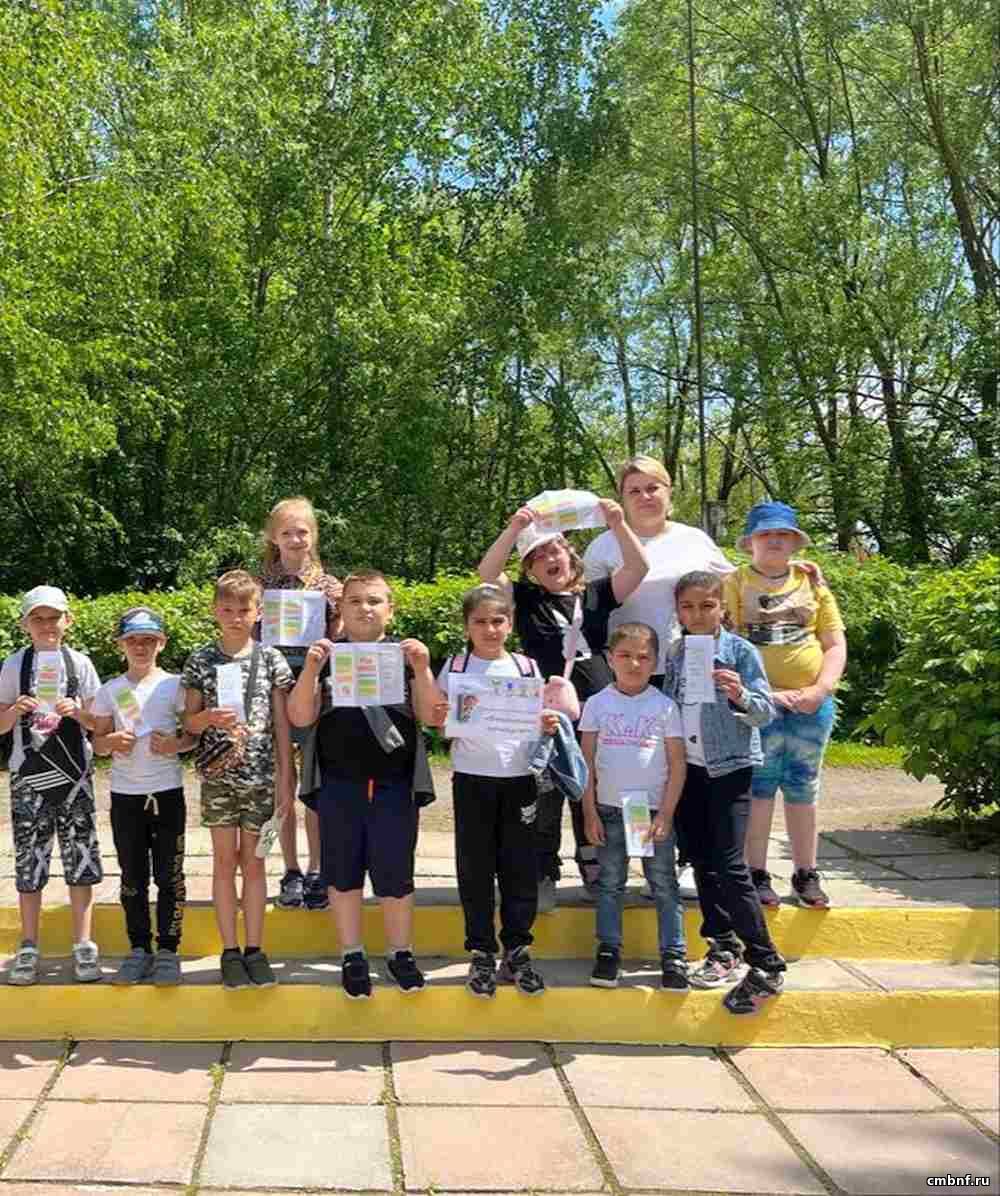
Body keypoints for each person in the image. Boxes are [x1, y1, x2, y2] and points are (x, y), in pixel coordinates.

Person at [477, 500, 647, 912]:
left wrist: (618, 523)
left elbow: (638, 567)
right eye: (538, 556)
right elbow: (486, 574)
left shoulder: (597, 593)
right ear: (529, 570)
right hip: (547, 713)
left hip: (598, 711)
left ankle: (593, 865)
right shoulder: (525, 599)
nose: (550, 559)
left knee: (592, 792)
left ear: (570, 554)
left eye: (555, 550)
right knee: (546, 793)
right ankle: (543, 872)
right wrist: (514, 529)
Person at [286, 570, 439, 999]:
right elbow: (299, 716)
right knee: (343, 872)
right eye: (354, 601)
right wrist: (311, 668)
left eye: (374, 601)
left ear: (391, 609)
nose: (364, 608)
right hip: (339, 783)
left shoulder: (406, 656)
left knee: (395, 871)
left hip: (395, 783)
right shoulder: (327, 655)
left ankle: (400, 953)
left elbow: (432, 716)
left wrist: (423, 668)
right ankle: (352, 954)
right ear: (340, 609)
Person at [663, 570, 786, 1015]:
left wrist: (740, 695)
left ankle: (767, 962)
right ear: (678, 612)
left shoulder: (740, 651)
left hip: (730, 767)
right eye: (688, 607)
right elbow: (669, 707)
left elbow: (765, 712)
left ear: (722, 609)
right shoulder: (677, 652)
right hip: (688, 770)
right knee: (701, 860)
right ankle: (723, 946)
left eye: (706, 606)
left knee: (731, 864)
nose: (697, 615)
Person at [433, 584, 559, 998]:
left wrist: (546, 722)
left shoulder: (525, 667)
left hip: (520, 778)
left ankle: (518, 948)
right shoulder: (456, 666)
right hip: (472, 778)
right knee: (475, 868)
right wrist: (441, 717)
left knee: (519, 867)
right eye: (480, 622)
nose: (490, 629)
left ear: (510, 624)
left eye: (498, 621)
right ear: (467, 626)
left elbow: (537, 717)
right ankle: (482, 951)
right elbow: (439, 722)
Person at [724, 502, 847, 910]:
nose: (774, 540)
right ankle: (755, 872)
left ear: (796, 542)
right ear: (750, 542)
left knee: (802, 787)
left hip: (811, 705)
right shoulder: (733, 583)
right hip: (758, 706)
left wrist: (822, 689)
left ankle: (805, 873)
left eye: (783, 534)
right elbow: (724, 645)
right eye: (765, 534)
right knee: (759, 787)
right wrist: (759, 695)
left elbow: (834, 643)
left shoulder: (813, 584)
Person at [182, 570, 295, 989]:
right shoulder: (201, 659)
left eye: (243, 610)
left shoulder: (271, 659)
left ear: (258, 612)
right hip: (218, 777)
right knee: (224, 862)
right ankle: (230, 950)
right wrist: (206, 718)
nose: (235, 617)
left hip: (261, 779)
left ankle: (255, 949)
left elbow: (282, 725)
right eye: (227, 609)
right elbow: (188, 723)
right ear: (215, 611)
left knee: (255, 862)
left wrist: (286, 778)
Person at [0, 585, 104, 986]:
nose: (47, 625)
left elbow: (99, 723)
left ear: (68, 621)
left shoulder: (80, 663)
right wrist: (15, 710)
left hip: (75, 775)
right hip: (29, 774)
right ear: (25, 625)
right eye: (38, 618)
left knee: (81, 857)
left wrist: (77, 713)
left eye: (54, 617)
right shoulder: (14, 665)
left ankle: (83, 944)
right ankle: (28, 945)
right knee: (30, 860)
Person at [580, 623, 688, 990]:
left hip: (648, 813)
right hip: (609, 811)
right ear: (610, 659)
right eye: (625, 655)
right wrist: (589, 812)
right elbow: (585, 763)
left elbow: (677, 763)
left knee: (663, 883)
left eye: (644, 657)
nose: (634, 664)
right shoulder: (597, 704)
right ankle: (609, 950)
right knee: (611, 883)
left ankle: (673, 955)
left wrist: (666, 814)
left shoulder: (664, 706)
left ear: (655, 662)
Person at [92, 607, 195, 986]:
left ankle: (168, 949)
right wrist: (110, 741)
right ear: (120, 645)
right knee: (132, 877)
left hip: (167, 792)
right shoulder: (110, 690)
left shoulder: (176, 685)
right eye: (132, 640)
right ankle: (139, 949)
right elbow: (97, 743)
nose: (140, 647)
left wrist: (176, 744)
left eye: (148, 640)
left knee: (170, 876)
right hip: (126, 796)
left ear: (161, 643)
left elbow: (192, 735)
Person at [257, 496, 342, 913]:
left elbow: (340, 639)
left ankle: (317, 869)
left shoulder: (330, 587)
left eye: (302, 532)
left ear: (314, 536)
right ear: (273, 537)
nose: (295, 539)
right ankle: (289, 869)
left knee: (316, 784)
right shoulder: (260, 585)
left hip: (316, 692)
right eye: (287, 532)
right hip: (272, 691)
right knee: (283, 783)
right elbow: (248, 638)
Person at [583, 457, 734, 686]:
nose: (645, 496)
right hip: (627, 670)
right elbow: (587, 611)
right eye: (634, 491)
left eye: (653, 488)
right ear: (622, 498)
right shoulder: (602, 546)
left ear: (669, 491)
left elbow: (733, 586)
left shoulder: (694, 539)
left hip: (690, 665)